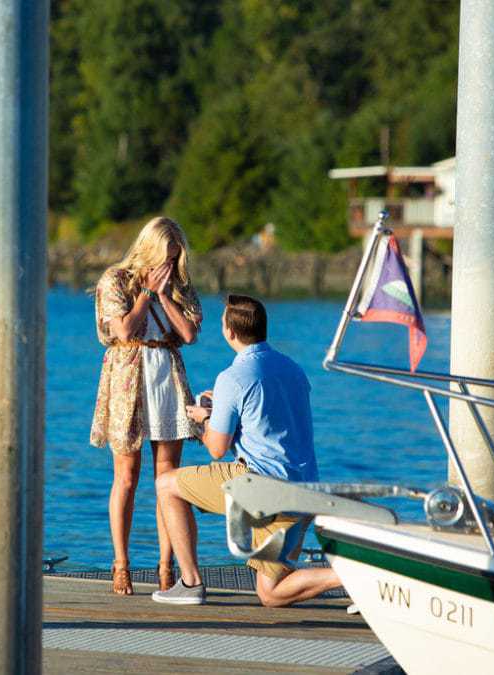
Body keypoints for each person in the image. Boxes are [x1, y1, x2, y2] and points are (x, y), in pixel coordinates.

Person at [153, 294, 342, 607]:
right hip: (305, 489)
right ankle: (354, 577)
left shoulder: (232, 378)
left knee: (166, 485)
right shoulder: (293, 369)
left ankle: (190, 582)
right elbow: (269, 418)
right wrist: (223, 408)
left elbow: (216, 448)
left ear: (229, 332)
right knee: (270, 592)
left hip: (262, 489)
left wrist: (205, 418)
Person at [90, 216, 203, 595]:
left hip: (167, 376)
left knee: (167, 478)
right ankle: (121, 563)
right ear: (149, 249)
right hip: (128, 376)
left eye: (175, 258)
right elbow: (123, 330)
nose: (169, 266)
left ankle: (166, 566)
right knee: (126, 475)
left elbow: (188, 333)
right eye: (165, 257)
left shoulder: (179, 285)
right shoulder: (115, 280)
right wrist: (146, 295)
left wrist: (166, 294)